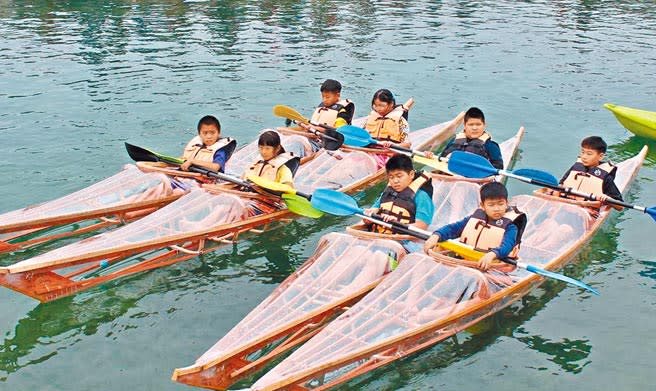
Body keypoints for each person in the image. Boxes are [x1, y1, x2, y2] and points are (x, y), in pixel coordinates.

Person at [423, 182, 526, 271]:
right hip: (465, 261)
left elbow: (507, 246)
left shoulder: (511, 227)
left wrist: (491, 255)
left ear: (506, 203)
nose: (497, 209)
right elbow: (453, 228)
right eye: (491, 205)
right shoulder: (474, 218)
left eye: (500, 204)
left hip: (493, 266)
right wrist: (436, 235)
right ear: (482, 206)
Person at [364, 154, 434, 233]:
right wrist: (368, 217)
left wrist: (396, 224)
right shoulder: (388, 192)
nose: (395, 181)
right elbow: (375, 208)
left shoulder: (422, 197)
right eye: (391, 177)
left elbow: (422, 226)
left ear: (411, 174)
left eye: (399, 176)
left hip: (404, 241)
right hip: (379, 235)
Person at [557, 136, 623, 210]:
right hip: (564, 205)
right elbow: (561, 184)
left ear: (600, 156)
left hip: (585, 213)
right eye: (582, 152)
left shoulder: (605, 177)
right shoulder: (576, 168)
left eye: (589, 154)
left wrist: (607, 198)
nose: (584, 157)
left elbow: (620, 207)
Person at [439, 107, 503, 169]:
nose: (474, 128)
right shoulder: (454, 141)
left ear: (484, 125)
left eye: (478, 124)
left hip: (475, 178)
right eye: (471, 125)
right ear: (464, 125)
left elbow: (499, 168)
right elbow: (441, 159)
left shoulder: (491, 146)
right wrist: (430, 155)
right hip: (449, 175)